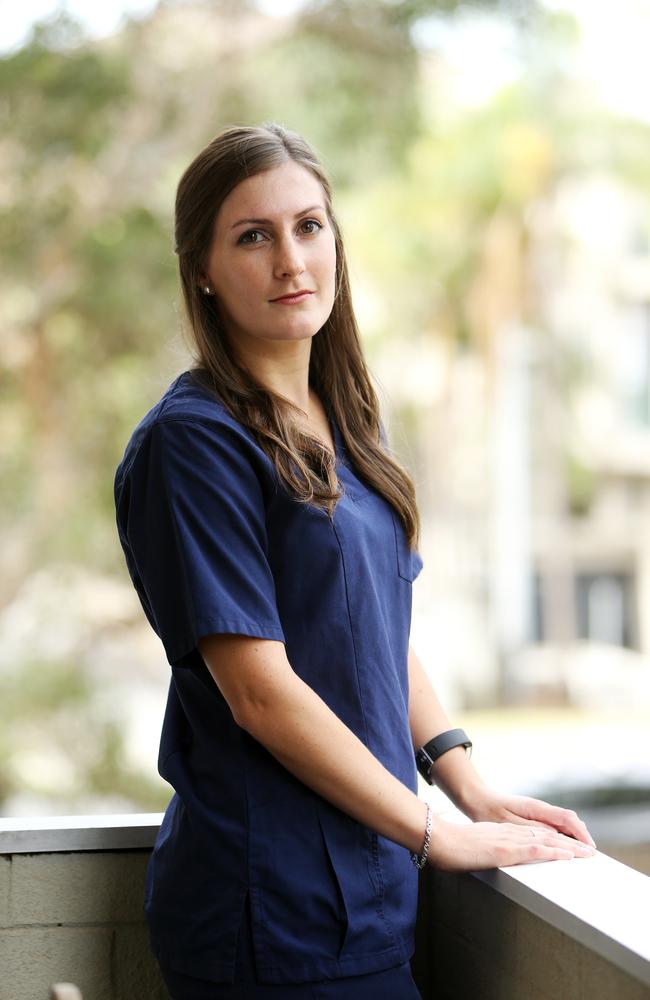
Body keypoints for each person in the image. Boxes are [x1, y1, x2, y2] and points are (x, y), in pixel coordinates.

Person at [113, 122, 596, 1000]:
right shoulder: (194, 444)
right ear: (203, 272)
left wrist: (468, 784)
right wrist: (433, 833)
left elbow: (377, 626)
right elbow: (258, 693)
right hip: (272, 915)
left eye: (309, 226)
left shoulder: (345, 424)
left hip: (371, 896)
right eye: (252, 237)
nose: (291, 261)